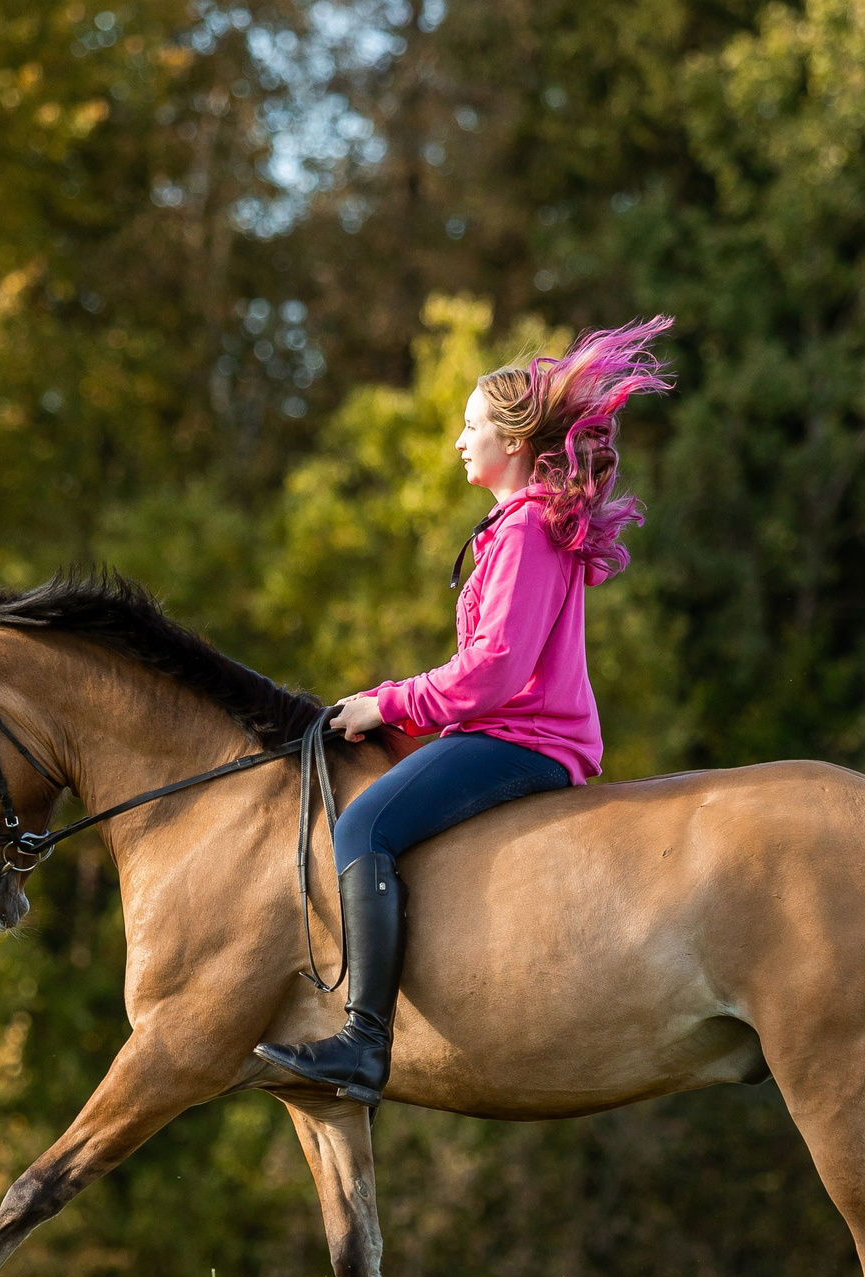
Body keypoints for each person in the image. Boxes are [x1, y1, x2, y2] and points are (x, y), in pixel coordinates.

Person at [255, 316, 674, 1105]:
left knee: (363, 827)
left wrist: (387, 702)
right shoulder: (523, 527)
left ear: (510, 443)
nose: (458, 439)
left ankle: (363, 1044)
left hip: (525, 740)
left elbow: (492, 671)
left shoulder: (525, 534)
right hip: (517, 732)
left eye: (471, 424)